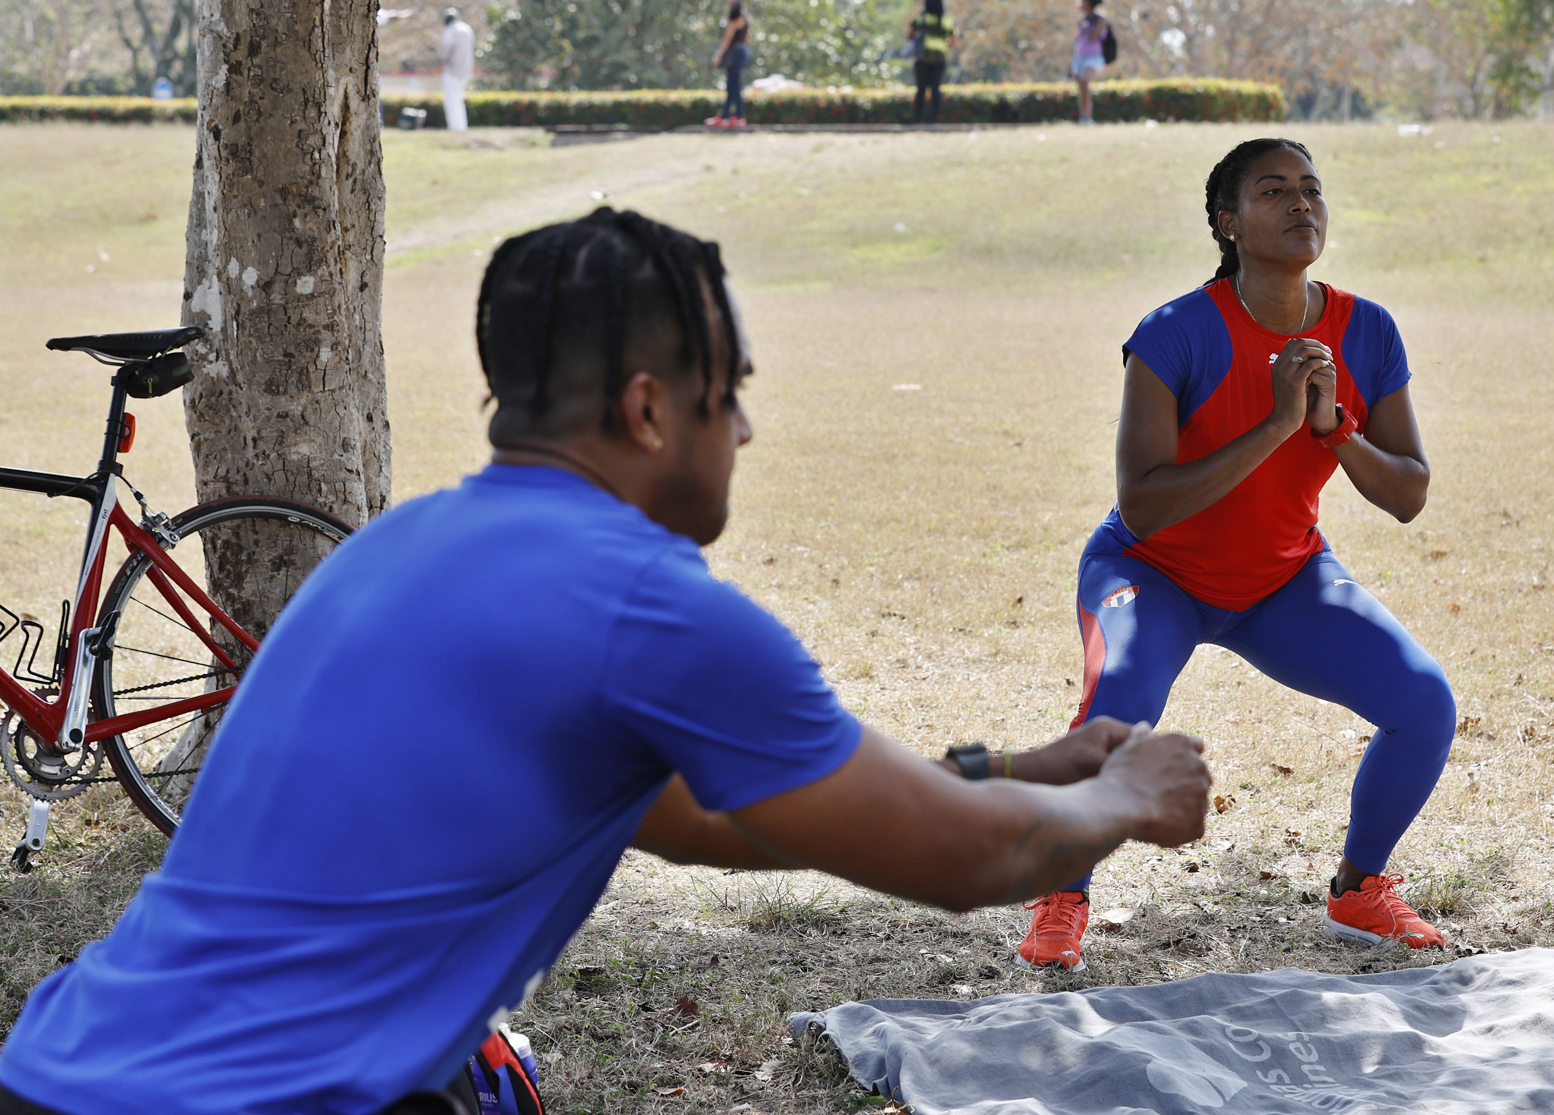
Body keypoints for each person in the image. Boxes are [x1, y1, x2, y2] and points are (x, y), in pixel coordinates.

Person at [0, 209, 1211, 1115]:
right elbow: (965, 858)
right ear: (647, 409)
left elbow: (706, 815)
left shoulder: (397, 549)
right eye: (729, 393)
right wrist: (1128, 795)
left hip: (64, 1067)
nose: (745, 428)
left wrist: (1024, 767)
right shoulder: (643, 604)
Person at [1015, 138, 1456, 972]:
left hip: (1282, 577)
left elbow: (1408, 493)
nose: (1301, 204)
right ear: (1229, 223)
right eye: (1274, 191)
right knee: (1118, 705)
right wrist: (1278, 425)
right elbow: (1143, 503)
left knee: (1424, 702)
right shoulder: (1174, 333)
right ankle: (1059, 891)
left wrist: (1335, 429)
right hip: (1152, 572)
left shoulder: (1366, 330)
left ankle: (1360, 888)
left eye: (1311, 189)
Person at [906, 0, 956, 125]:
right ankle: (934, 119)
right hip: (939, 58)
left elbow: (909, 35)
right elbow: (952, 41)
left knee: (921, 89)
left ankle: (918, 119)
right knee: (936, 89)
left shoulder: (922, 18)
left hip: (922, 58)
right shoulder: (947, 19)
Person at [707, 3, 752, 128]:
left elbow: (727, 38)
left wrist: (718, 55)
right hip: (743, 51)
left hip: (734, 53)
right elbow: (747, 37)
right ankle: (725, 116)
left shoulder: (735, 17)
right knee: (732, 85)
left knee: (734, 85)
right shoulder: (746, 16)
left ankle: (738, 116)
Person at [1069, 0, 1109, 125]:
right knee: (1081, 87)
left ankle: (1088, 117)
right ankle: (1084, 117)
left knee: (1085, 80)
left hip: (1094, 56)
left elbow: (1093, 36)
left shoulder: (1100, 18)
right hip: (1079, 56)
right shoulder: (1082, 19)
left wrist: (1086, 27)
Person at [438, 7, 474, 132]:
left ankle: (455, 127)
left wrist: (441, 58)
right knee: (459, 99)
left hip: (452, 70)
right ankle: (462, 126)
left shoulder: (451, 30)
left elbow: (445, 50)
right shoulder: (467, 28)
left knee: (451, 99)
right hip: (466, 70)